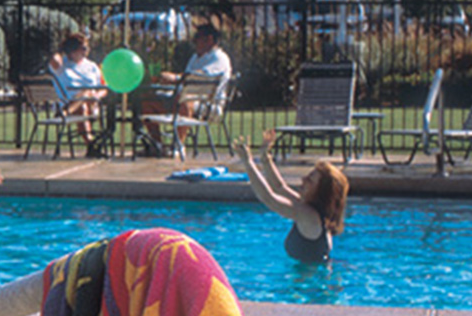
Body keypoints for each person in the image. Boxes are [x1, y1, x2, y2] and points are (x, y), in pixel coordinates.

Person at [235, 131, 348, 264]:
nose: (303, 179)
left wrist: (248, 162)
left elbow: (268, 198)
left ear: (321, 193)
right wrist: (265, 157)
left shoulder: (308, 216)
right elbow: (279, 187)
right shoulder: (310, 209)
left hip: (310, 283)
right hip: (311, 280)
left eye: (310, 181)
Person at [135, 23, 233, 151]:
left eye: (197, 37)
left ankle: (178, 145)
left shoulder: (219, 58)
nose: (194, 41)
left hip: (207, 104)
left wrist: (174, 78)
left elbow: (198, 78)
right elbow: (185, 80)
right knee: (148, 100)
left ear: (209, 39)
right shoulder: (195, 57)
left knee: (186, 100)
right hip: (180, 98)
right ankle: (157, 144)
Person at [47, 34, 107, 145]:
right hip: (66, 102)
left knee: (87, 93)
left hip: (92, 104)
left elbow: (104, 87)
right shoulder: (61, 65)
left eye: (87, 47)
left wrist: (97, 95)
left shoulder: (92, 66)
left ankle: (67, 111)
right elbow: (54, 60)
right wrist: (61, 50)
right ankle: (90, 143)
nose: (87, 50)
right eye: (83, 48)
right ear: (72, 49)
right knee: (84, 100)